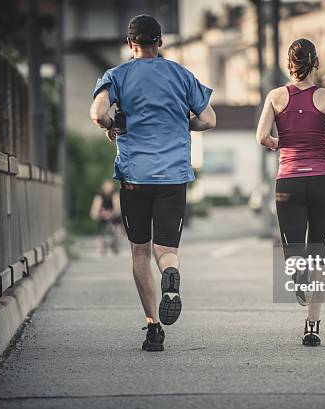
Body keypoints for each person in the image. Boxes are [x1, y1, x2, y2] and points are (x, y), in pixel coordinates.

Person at [89, 15, 216, 352]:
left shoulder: (117, 75)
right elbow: (209, 119)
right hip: (173, 176)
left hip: (134, 177)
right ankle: (170, 278)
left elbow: (98, 113)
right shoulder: (181, 74)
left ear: (131, 43)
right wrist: (181, 123)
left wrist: (112, 122)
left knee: (139, 252)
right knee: (166, 251)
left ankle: (153, 328)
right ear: (160, 42)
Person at [255, 38, 325, 347]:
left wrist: (280, 144)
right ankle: (312, 327)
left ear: (288, 65)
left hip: (289, 182)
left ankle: (295, 271)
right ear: (316, 64)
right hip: (324, 181)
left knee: (293, 247)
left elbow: (262, 137)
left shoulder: (275, 97)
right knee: (319, 255)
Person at [89, 180, 122, 255]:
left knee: (118, 224)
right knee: (100, 227)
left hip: (113, 213)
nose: (108, 190)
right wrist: (95, 214)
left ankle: (116, 242)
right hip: (103, 214)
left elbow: (117, 207)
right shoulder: (99, 194)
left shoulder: (114, 193)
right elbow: (95, 207)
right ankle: (101, 246)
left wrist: (111, 214)